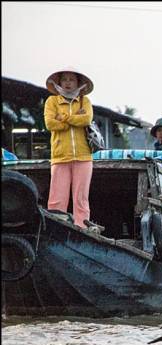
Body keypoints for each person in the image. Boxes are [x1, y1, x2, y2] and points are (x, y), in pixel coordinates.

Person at [44, 67, 95, 229]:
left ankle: (82, 229)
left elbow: (86, 120)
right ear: (59, 82)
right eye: (64, 79)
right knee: (57, 198)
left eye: (71, 80)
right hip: (60, 156)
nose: (67, 83)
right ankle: (56, 229)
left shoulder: (84, 102)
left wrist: (63, 118)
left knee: (81, 198)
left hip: (84, 156)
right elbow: (50, 124)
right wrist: (74, 119)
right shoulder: (52, 102)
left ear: (78, 83)